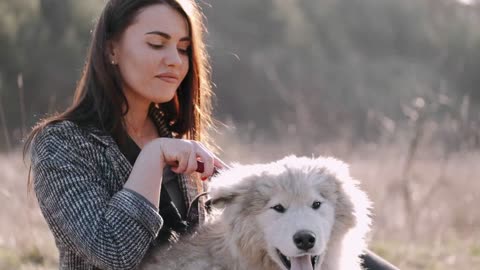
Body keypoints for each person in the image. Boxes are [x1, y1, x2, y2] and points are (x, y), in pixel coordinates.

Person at [24, 0, 399, 269]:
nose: (174, 59)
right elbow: (114, 254)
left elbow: (237, 228)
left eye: (184, 49)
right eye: (157, 44)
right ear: (111, 50)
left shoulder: (179, 134)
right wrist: (153, 157)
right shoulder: (62, 145)